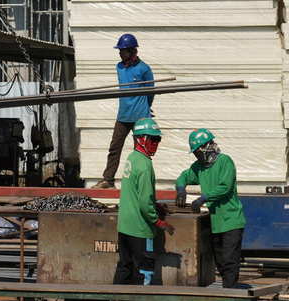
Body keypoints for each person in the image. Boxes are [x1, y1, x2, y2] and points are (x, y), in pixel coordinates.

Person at [175, 129, 246, 289]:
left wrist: (203, 198)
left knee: (230, 261)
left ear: (206, 147)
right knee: (220, 262)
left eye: (198, 152)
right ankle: (228, 288)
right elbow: (184, 176)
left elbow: (225, 187)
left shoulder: (225, 162)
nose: (197, 156)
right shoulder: (200, 167)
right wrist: (181, 188)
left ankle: (230, 294)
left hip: (231, 220)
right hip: (216, 223)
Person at [114, 117, 174, 286]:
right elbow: (144, 202)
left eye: (158, 139)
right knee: (144, 271)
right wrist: (158, 221)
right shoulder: (146, 166)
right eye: (153, 139)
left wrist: (154, 204)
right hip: (140, 229)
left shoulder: (132, 158)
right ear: (141, 139)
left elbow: (135, 192)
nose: (156, 143)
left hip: (124, 226)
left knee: (124, 267)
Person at [93, 33, 155, 189]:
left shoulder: (144, 69)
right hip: (123, 115)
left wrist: (146, 107)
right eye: (120, 51)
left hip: (140, 117)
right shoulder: (119, 67)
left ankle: (138, 183)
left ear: (133, 51)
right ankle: (108, 180)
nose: (121, 53)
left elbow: (150, 91)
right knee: (114, 147)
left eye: (124, 51)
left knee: (140, 152)